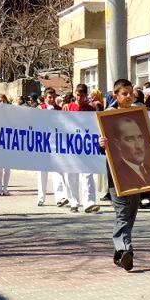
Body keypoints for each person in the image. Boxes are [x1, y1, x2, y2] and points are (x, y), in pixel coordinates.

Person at [98, 79, 146, 271]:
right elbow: (101, 147)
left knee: (131, 212)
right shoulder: (107, 116)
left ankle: (120, 253)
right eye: (124, 93)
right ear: (115, 96)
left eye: (130, 93)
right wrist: (101, 144)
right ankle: (126, 249)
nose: (128, 96)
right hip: (116, 172)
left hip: (137, 172)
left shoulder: (139, 113)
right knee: (122, 212)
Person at [65, 84, 100, 213]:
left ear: (86, 95)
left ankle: (89, 203)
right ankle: (74, 202)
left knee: (87, 174)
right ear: (75, 94)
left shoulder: (90, 110)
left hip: (85, 146)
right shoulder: (68, 108)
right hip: (71, 145)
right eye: (77, 94)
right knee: (71, 174)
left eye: (82, 95)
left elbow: (95, 127)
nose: (79, 97)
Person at [37, 87, 69, 208]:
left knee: (58, 171)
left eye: (53, 97)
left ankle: (60, 197)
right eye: (49, 97)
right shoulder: (40, 109)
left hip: (56, 143)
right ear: (45, 98)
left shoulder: (59, 110)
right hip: (42, 143)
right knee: (42, 172)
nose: (51, 99)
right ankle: (41, 197)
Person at [0, 93, 12, 196]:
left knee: (7, 166)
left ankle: (5, 187)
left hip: (8, 140)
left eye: (3, 100)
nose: (1, 103)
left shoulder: (11, 112)